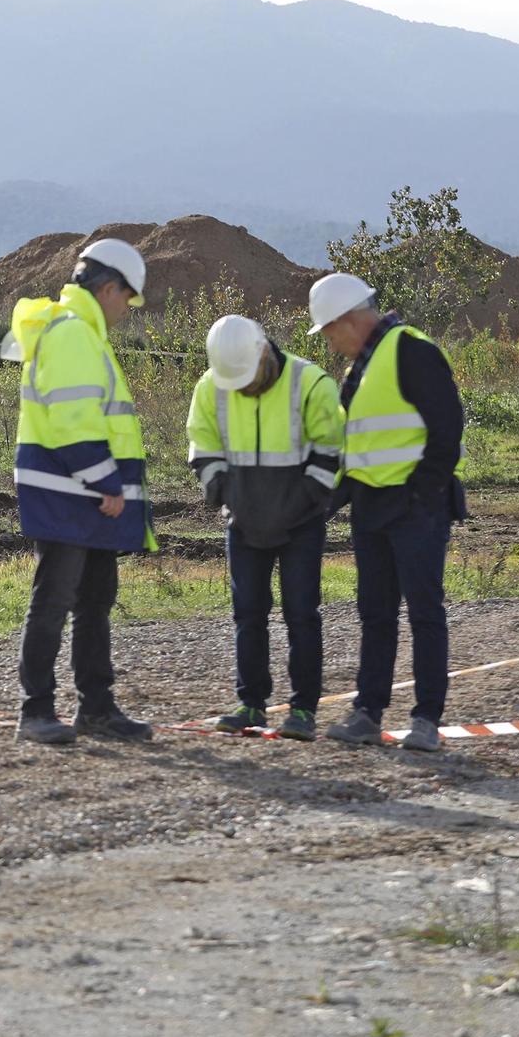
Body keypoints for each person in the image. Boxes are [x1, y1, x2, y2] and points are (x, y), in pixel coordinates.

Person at [5, 238, 156, 745]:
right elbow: (74, 419)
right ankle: (37, 710)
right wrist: (105, 483)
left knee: (93, 601)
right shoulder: (73, 335)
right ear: (108, 288)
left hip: (78, 494)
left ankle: (96, 709)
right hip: (71, 492)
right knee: (54, 600)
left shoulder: (83, 334)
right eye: (126, 300)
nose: (125, 311)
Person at [310, 274, 467, 752]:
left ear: (351, 319)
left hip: (415, 508)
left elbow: (447, 428)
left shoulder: (411, 349)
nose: (332, 343)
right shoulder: (360, 368)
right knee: (375, 614)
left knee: (424, 613)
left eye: (331, 331)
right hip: (373, 508)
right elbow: (359, 448)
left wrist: (422, 494)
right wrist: (330, 501)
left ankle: (425, 721)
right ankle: (367, 713)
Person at [187, 314, 344, 740]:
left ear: (262, 352)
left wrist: (302, 505)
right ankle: (251, 704)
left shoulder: (311, 383)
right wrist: (221, 491)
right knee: (248, 615)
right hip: (242, 523)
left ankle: (304, 711)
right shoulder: (211, 385)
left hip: (301, 525)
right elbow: (203, 444)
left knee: (301, 615)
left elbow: (330, 453)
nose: (241, 387)